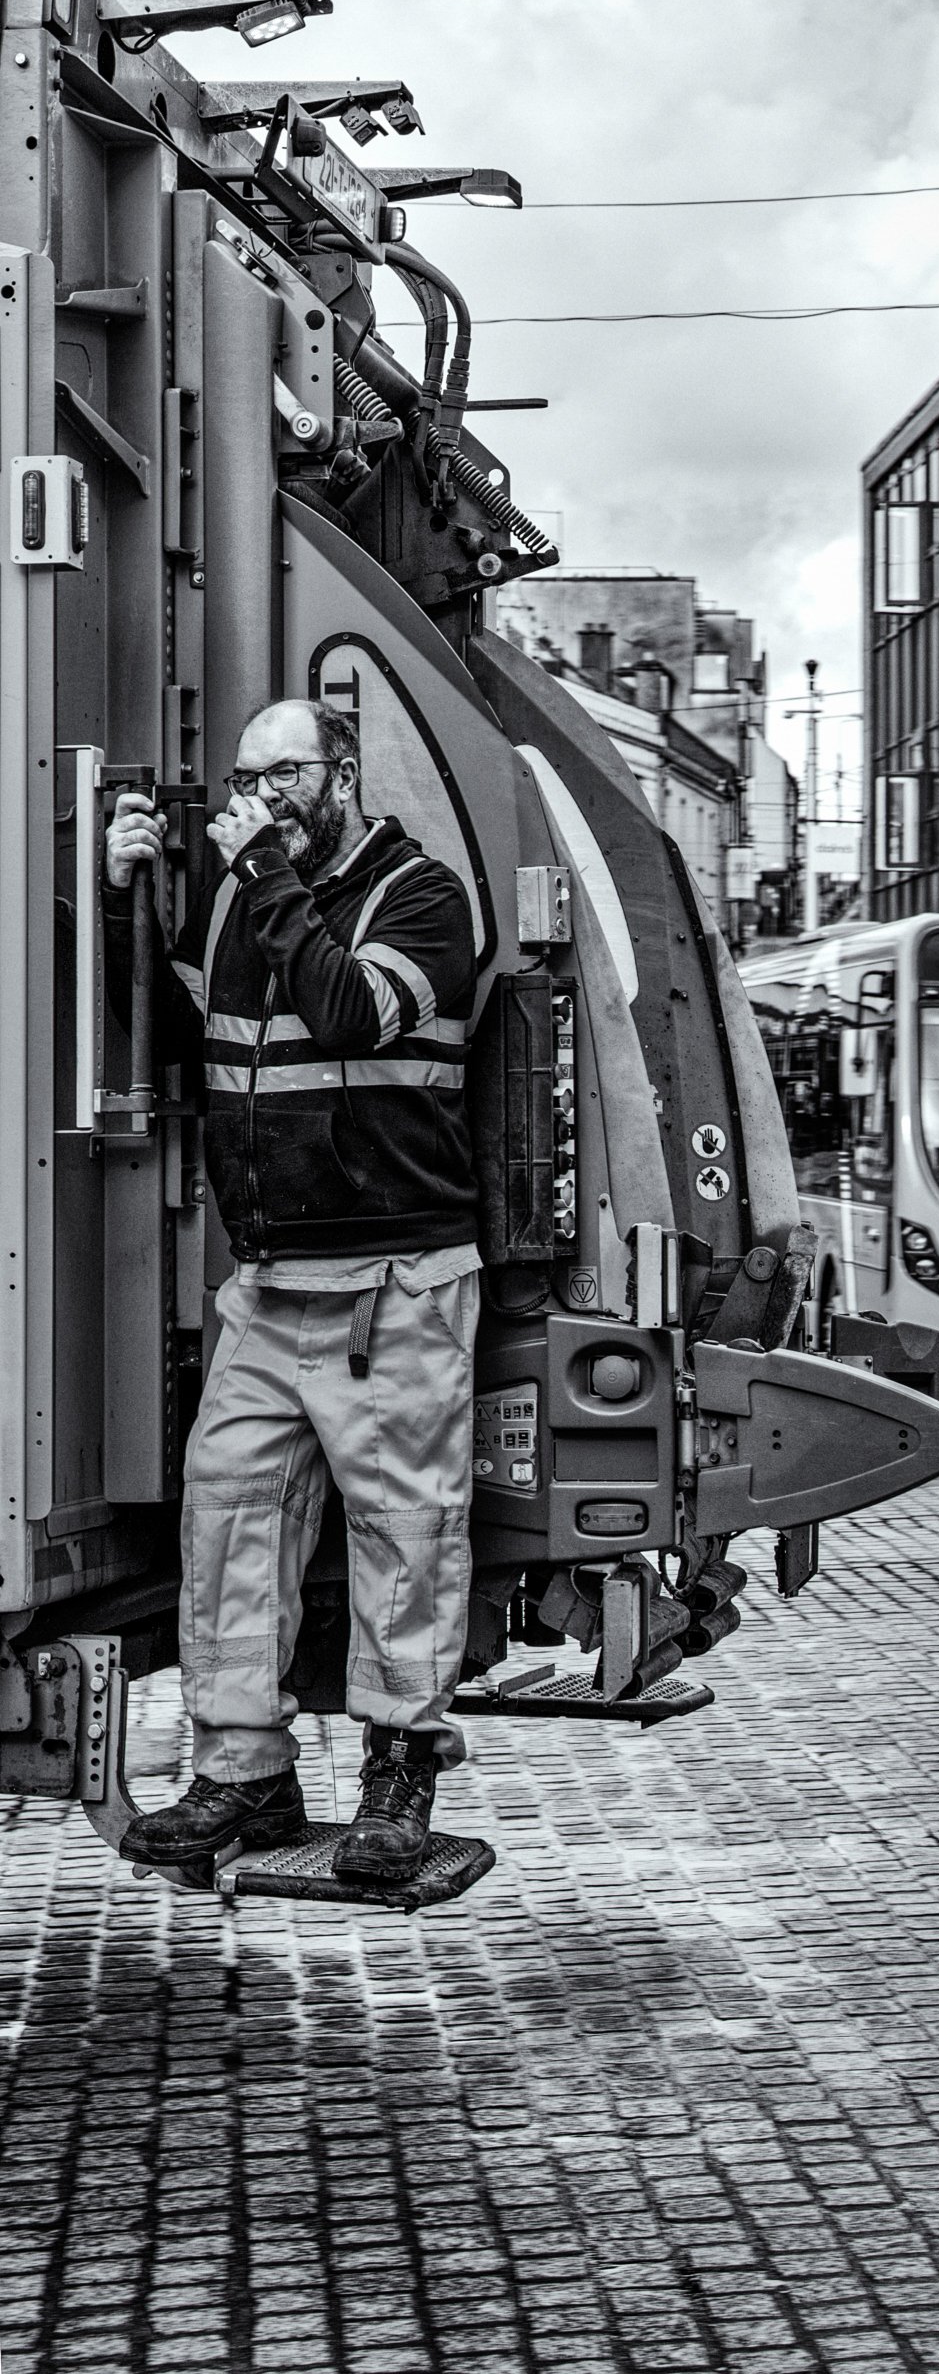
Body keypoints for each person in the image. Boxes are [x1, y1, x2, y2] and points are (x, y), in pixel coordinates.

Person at [106, 697, 481, 1882]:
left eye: (284, 775)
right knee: (228, 1519)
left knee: (403, 1533)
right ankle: (245, 1776)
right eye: (246, 778)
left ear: (343, 774)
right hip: (269, 1283)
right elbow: (178, 1039)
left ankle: (398, 1778)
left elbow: (351, 1011)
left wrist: (261, 872)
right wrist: (126, 902)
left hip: (396, 1280)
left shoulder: (422, 897)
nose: (260, 797)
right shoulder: (241, 902)